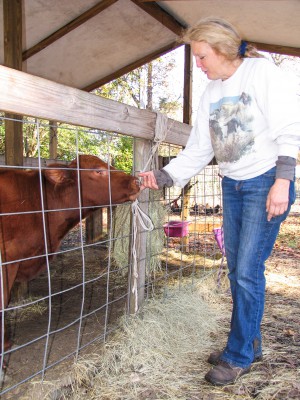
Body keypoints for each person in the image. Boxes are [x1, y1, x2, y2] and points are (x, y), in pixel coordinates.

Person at [139, 17, 300, 386]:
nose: (198, 64)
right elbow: (198, 149)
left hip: (265, 182)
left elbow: (290, 127)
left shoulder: (261, 73)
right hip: (233, 185)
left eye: (201, 56)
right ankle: (249, 342)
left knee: (246, 271)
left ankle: (239, 355)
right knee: (238, 270)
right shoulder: (211, 93)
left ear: (222, 50)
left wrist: (283, 181)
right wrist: (164, 177)